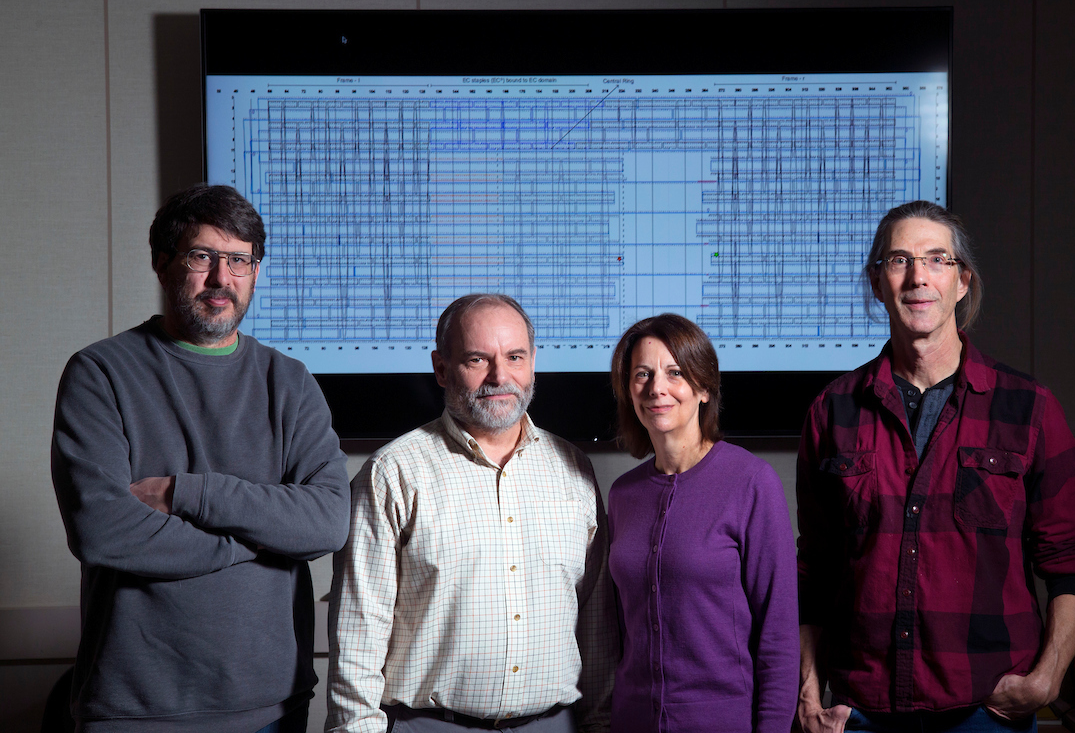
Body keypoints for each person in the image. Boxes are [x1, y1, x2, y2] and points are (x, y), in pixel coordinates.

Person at [51, 184, 351, 733]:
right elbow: (104, 531)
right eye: (202, 256)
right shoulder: (100, 374)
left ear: (255, 271)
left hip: (272, 706)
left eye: (239, 260)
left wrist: (186, 494)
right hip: (136, 710)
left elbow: (327, 521)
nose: (222, 278)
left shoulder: (289, 382)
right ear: (162, 263)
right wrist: (258, 541)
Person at [795, 201, 1075, 733]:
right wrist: (806, 687)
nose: (918, 277)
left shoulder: (1029, 409)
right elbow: (814, 570)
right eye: (899, 260)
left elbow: (1070, 562)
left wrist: (1048, 679)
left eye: (938, 259)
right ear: (876, 282)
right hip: (859, 711)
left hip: (988, 710)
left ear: (963, 283)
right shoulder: (832, 412)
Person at [326, 294, 618, 733]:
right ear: (441, 369)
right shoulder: (393, 473)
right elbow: (357, 633)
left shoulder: (573, 469)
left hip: (555, 723)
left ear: (532, 362)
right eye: (478, 359)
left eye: (515, 357)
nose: (501, 376)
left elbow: (597, 625)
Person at [606, 314, 800, 733]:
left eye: (674, 373)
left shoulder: (751, 483)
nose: (656, 388)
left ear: (704, 387)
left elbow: (779, 638)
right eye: (642, 374)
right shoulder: (622, 495)